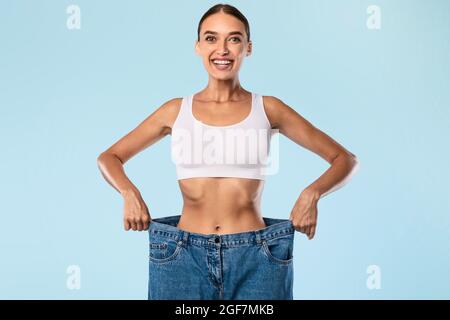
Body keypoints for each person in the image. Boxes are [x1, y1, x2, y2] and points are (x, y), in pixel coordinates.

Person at [97, 3, 359, 300]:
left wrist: (311, 193)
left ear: (248, 48)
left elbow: (344, 160)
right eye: (211, 38)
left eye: (233, 39)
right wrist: (128, 192)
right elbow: (109, 157)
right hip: (181, 256)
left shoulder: (268, 108)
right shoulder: (175, 110)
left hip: (256, 257)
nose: (222, 49)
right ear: (198, 46)